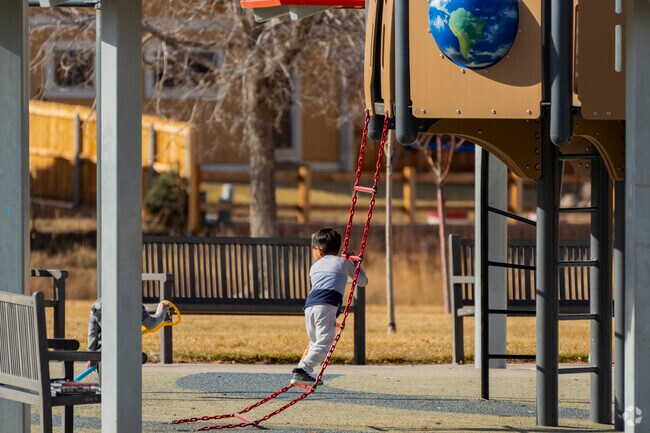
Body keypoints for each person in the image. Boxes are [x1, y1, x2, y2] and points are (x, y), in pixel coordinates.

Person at [291, 227, 368, 386]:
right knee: (325, 344)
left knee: (314, 342)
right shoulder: (343, 263)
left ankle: (301, 370)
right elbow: (361, 281)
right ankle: (302, 371)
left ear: (319, 250)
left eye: (314, 250)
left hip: (309, 307)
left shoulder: (314, 267)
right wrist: (355, 263)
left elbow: (331, 281)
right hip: (325, 307)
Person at [87, 298, 169, 369]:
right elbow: (151, 324)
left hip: (104, 354)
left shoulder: (97, 304)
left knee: (104, 385)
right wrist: (161, 311)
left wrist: (92, 356)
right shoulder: (134, 303)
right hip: (129, 354)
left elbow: (92, 332)